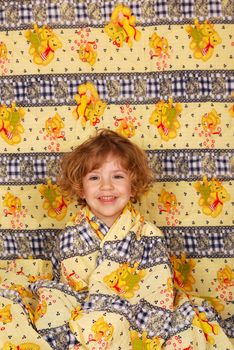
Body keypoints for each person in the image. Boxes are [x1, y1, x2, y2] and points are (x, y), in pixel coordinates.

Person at [0, 129, 232, 349]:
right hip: (85, 309)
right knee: (34, 303)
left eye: (118, 176)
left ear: (133, 187)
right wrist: (95, 310)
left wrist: (120, 308)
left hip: (137, 309)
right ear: (80, 189)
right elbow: (66, 289)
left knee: (192, 321)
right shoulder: (71, 237)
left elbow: (157, 284)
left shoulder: (149, 236)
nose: (106, 186)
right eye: (94, 178)